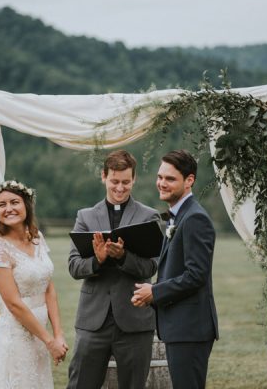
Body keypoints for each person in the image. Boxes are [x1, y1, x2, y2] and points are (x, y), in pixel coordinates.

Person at [67, 150, 159, 389]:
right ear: (103, 177)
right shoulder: (85, 217)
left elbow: (152, 265)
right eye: (115, 181)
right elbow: (74, 267)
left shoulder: (149, 216)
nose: (120, 188)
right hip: (92, 321)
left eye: (126, 182)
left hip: (135, 320)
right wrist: (97, 260)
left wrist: (124, 257)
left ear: (134, 179)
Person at [132, 149, 219, 389]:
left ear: (189, 180)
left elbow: (196, 275)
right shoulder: (177, 217)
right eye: (160, 177)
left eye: (170, 179)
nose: (162, 183)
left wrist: (155, 292)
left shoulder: (194, 219)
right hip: (181, 328)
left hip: (190, 328)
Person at [0, 180, 68, 389]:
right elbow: (13, 304)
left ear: (26, 206)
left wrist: (58, 335)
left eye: (14, 202)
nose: (8, 208)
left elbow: (49, 287)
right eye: (2, 205)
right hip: (16, 335)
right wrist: (50, 342)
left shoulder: (37, 237)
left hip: (41, 333)